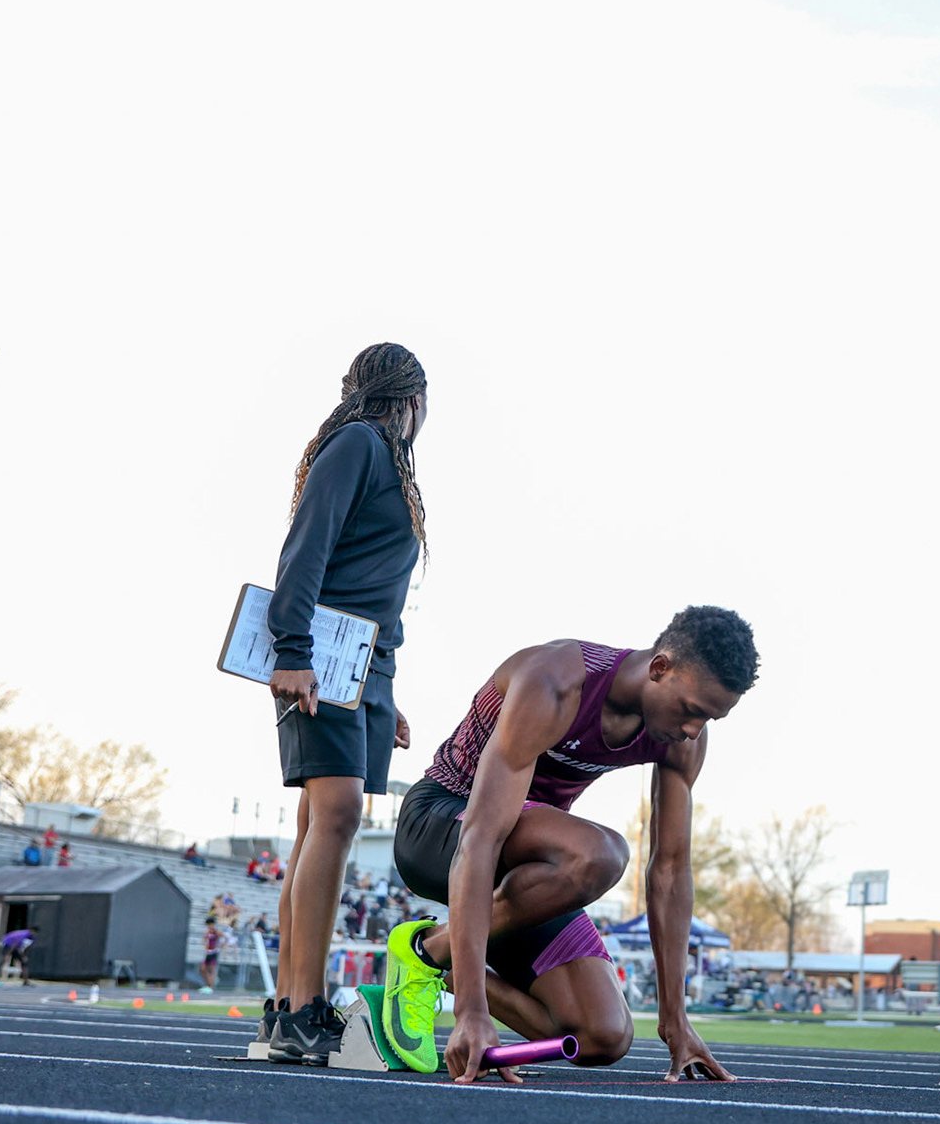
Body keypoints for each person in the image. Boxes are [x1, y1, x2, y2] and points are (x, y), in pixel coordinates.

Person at [382, 605, 758, 1084]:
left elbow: (669, 872)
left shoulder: (682, 742)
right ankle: (453, 972)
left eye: (709, 719)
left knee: (602, 1036)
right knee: (599, 855)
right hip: (442, 826)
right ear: (659, 668)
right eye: (690, 711)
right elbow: (480, 838)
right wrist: (471, 1011)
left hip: (527, 868)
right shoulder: (555, 682)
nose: (693, 730)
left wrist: (675, 1021)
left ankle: (429, 954)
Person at [262, 343, 428, 1067]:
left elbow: (372, 583)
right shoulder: (359, 443)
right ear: (413, 399)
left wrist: (386, 695)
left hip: (366, 668)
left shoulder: (388, 459)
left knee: (317, 823)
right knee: (335, 815)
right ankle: (303, 1008)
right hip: (321, 656)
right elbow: (306, 550)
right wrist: (292, 650)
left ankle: (287, 1012)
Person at [199, 923, 221, 993]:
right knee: (203, 969)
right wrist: (204, 945)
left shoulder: (216, 932)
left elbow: (224, 938)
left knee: (211, 969)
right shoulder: (207, 933)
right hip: (208, 953)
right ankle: (208, 984)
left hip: (214, 953)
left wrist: (219, 946)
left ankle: (210, 987)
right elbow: (204, 940)